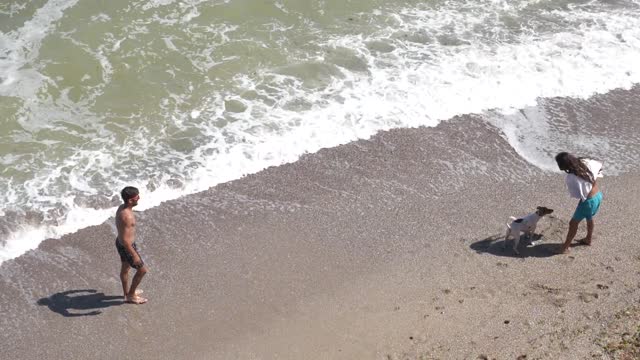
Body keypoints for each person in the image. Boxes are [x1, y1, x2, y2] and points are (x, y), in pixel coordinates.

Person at [555, 152, 604, 254]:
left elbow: (578, 194)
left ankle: (565, 247)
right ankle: (588, 239)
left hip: (588, 202)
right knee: (589, 217)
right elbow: (599, 167)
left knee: (573, 223)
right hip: (598, 196)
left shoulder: (572, 177)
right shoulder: (585, 162)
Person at [115, 186, 148, 304]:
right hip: (127, 246)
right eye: (137, 197)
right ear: (130, 201)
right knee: (142, 270)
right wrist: (134, 255)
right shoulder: (127, 216)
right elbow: (125, 240)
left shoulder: (122, 208)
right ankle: (131, 295)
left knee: (125, 268)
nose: (139, 198)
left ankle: (126, 294)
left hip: (120, 243)